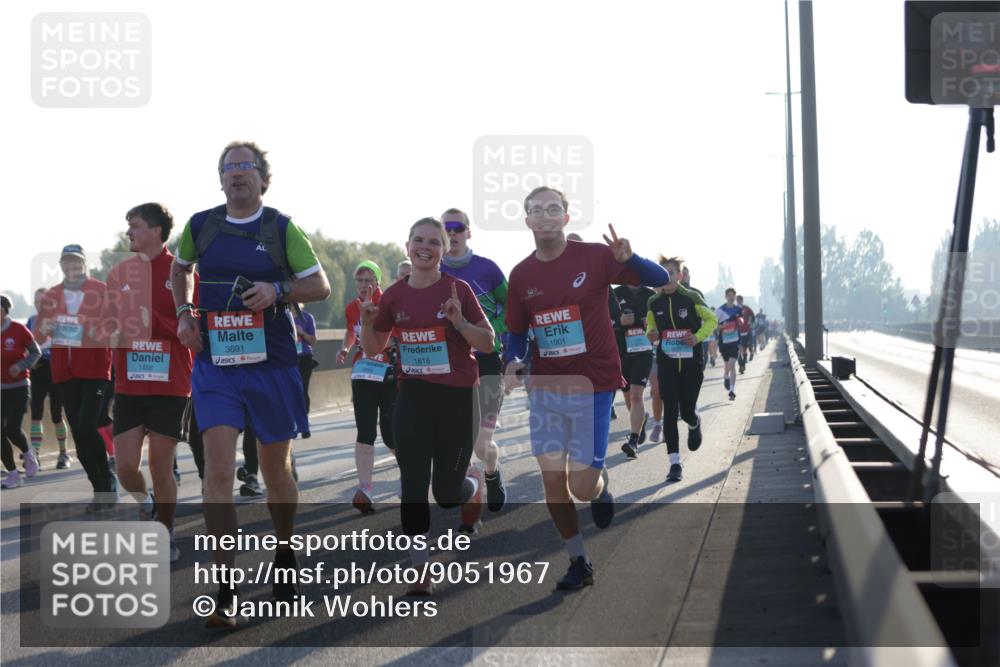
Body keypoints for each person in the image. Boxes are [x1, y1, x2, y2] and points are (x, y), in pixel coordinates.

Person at [171, 140, 331, 626]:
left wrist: (278, 290)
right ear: (219, 179)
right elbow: (179, 272)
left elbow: (319, 286)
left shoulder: (281, 227)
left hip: (273, 361)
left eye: (246, 166)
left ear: (264, 178)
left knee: (275, 467)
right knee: (217, 471)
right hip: (216, 363)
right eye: (228, 168)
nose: (237, 173)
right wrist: (183, 313)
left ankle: (284, 552)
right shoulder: (200, 225)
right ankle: (226, 586)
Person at [503, 186, 669, 590]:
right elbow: (517, 331)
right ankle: (578, 559)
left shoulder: (595, 256)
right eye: (536, 210)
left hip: (594, 384)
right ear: (526, 220)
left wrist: (632, 259)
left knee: (580, 485)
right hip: (546, 387)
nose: (545, 215)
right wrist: (514, 359)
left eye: (553, 208)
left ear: (566, 216)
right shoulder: (521, 275)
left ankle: (598, 488)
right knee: (552, 481)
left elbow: (660, 279)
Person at [362, 217, 493, 595]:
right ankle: (420, 569)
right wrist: (370, 324)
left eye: (434, 241)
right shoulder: (395, 295)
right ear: (407, 247)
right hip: (414, 396)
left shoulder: (459, 289)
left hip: (457, 399)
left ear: (444, 249)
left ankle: (473, 482)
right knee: (413, 485)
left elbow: (487, 342)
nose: (425, 246)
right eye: (418, 240)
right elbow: (374, 349)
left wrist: (460, 322)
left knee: (447, 494)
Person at [103, 203, 194, 562]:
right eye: (128, 226)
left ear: (156, 231)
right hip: (128, 383)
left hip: (170, 382)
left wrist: (152, 320)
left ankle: (166, 532)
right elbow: (106, 325)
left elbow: (193, 331)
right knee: (125, 466)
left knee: (160, 464)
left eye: (135, 226)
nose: (128, 233)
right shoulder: (119, 273)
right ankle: (146, 503)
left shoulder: (182, 273)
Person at [440, 208, 508, 519]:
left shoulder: (488, 269)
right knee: (459, 442)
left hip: (488, 361)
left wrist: (491, 328)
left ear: (468, 232)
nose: (451, 232)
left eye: (456, 227)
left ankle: (491, 472)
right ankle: (470, 502)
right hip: (453, 366)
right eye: (445, 228)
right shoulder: (433, 272)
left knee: (482, 445)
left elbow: (513, 309)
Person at [35, 245, 115, 510]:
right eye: (67, 262)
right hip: (64, 374)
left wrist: (80, 326)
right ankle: (99, 487)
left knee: (86, 425)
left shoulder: (100, 290)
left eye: (76, 262)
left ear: (83, 264)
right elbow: (38, 336)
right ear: (61, 266)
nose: (72, 267)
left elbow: (113, 326)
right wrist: (45, 328)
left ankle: (107, 482)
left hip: (94, 371)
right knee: (80, 439)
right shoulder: (52, 295)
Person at [645, 257, 717, 482]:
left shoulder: (691, 297)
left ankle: (694, 423)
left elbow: (712, 320)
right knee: (670, 412)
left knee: (686, 411)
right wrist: (651, 334)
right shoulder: (653, 302)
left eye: (670, 272)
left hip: (691, 364)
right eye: (662, 273)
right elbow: (650, 327)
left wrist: (696, 337)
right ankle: (674, 463)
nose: (666, 277)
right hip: (666, 363)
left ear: (680, 275)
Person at [337, 261, 397, 514]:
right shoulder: (352, 307)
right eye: (360, 281)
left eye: (368, 280)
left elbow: (394, 337)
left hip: (389, 372)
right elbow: (352, 331)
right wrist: (345, 347)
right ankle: (365, 489)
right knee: (365, 430)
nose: (364, 285)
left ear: (378, 281)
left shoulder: (388, 303)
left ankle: (411, 478)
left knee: (391, 433)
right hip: (363, 372)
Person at [26, 288, 71, 468]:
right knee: (35, 412)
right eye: (37, 301)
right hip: (37, 370)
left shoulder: (59, 320)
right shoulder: (31, 321)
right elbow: (24, 347)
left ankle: (63, 454)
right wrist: (28, 360)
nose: (40, 305)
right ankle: (35, 455)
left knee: (56, 414)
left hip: (56, 369)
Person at [2, 294, 42, 488]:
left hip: (19, 386)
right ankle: (12, 473)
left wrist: (21, 365)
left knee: (12, 429)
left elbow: (36, 352)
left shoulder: (18, 330)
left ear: (5, 310)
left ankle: (29, 455)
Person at [611, 283, 654, 458]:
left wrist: (651, 325)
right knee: (629, 398)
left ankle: (633, 441)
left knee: (637, 395)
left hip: (643, 352)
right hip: (622, 352)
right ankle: (640, 419)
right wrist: (620, 322)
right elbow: (605, 321)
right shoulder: (615, 293)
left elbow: (662, 322)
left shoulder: (649, 295)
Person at [294, 303, 319, 438]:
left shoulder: (307, 318)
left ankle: (304, 424)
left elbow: (313, 341)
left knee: (302, 389)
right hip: (286, 358)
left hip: (304, 358)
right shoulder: (280, 315)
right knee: (288, 391)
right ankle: (292, 422)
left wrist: (302, 332)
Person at [716, 288, 743, 401]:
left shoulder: (738, 309)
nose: (731, 297)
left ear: (735, 297)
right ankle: (725, 376)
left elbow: (740, 322)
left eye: (733, 295)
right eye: (729, 295)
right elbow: (714, 327)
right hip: (724, 342)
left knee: (732, 365)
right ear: (726, 296)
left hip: (734, 341)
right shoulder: (720, 311)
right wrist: (723, 326)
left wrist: (740, 321)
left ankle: (731, 390)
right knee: (727, 365)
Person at [736, 295, 755, 370]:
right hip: (737, 332)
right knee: (739, 349)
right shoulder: (734, 309)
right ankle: (741, 365)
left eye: (740, 300)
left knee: (744, 349)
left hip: (746, 331)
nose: (739, 302)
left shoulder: (747, 308)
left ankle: (743, 362)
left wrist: (750, 322)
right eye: (738, 300)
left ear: (742, 301)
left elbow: (753, 316)